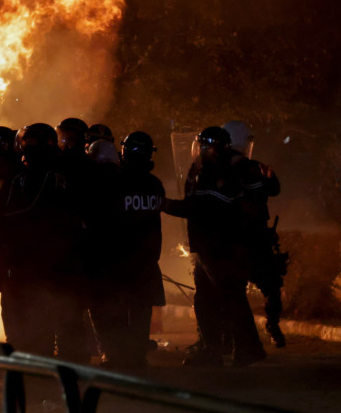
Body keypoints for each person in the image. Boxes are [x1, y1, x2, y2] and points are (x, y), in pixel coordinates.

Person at [164, 127, 266, 367]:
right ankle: (212, 348)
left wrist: (166, 205)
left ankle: (248, 348)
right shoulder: (204, 169)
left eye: (203, 146)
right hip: (206, 246)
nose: (199, 150)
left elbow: (200, 208)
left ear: (215, 148)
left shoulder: (222, 173)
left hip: (223, 247)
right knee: (206, 299)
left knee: (231, 296)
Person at [0, 123, 85, 359]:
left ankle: (40, 363)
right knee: (65, 315)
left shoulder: (25, 178)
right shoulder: (71, 171)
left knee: (38, 317)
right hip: (65, 260)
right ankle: (72, 363)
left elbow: (9, 217)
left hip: (32, 262)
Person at [89, 132, 166, 368]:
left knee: (112, 311)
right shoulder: (154, 184)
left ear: (124, 152)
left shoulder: (115, 182)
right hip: (147, 261)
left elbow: (102, 219)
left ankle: (115, 356)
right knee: (140, 313)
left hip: (117, 261)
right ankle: (137, 357)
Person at [223, 120, 287, 347]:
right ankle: (235, 335)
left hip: (254, 237)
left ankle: (271, 326)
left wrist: (270, 176)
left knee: (270, 285)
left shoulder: (250, 166)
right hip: (238, 238)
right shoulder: (225, 169)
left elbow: (274, 189)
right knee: (235, 289)